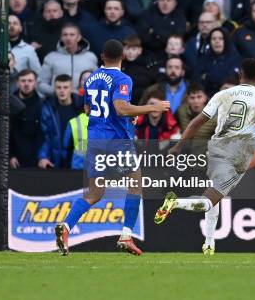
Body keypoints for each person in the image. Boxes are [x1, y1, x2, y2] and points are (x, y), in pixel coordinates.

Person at [154, 59, 255, 255]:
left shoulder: (223, 94)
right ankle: (176, 203)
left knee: (215, 192)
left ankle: (209, 243)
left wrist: (179, 146)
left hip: (216, 149)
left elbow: (197, 122)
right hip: (239, 154)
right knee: (209, 199)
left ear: (240, 75)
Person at [55, 39, 170, 256]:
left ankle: (67, 226)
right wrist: (153, 107)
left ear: (102, 56)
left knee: (95, 193)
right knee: (135, 186)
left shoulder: (90, 79)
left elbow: (89, 109)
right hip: (117, 141)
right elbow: (120, 108)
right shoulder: (122, 78)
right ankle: (126, 235)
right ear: (123, 56)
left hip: (96, 140)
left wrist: (129, 115)